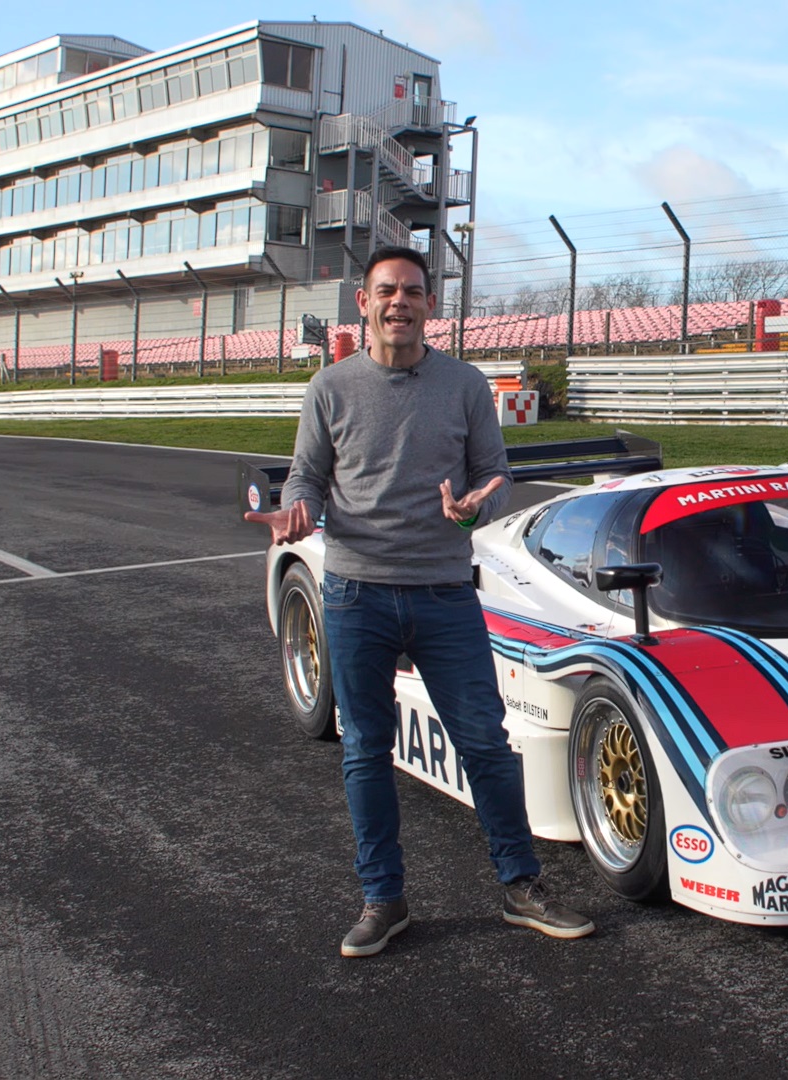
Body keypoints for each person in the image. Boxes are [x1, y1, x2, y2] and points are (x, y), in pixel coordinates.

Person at [245, 246, 594, 957]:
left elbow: (493, 474)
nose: (398, 303)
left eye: (411, 291)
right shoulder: (331, 387)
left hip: (443, 593)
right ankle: (384, 899)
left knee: (486, 746)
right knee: (366, 750)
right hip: (354, 594)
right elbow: (306, 475)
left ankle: (521, 887)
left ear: (431, 306)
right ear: (364, 306)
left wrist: (474, 505)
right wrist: (297, 509)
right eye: (385, 292)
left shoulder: (464, 384)